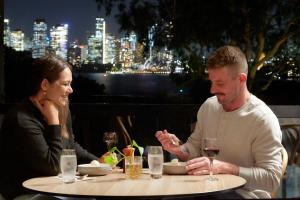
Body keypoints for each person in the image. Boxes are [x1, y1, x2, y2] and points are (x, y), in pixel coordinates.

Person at [156, 45, 283, 198]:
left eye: (220, 83)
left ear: (241, 79)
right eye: (212, 82)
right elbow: (194, 149)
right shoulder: (209, 106)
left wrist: (224, 167)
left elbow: (271, 179)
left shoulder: (263, 119)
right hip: (204, 188)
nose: (212, 89)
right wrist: (179, 149)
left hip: (242, 194)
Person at [0, 55, 99, 200]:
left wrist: (98, 162)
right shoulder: (21, 119)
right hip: (25, 193)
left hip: (54, 188)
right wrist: (54, 122)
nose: (70, 90)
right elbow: (53, 167)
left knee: (91, 195)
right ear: (45, 85)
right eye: (65, 84)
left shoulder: (62, 109)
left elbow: (70, 147)